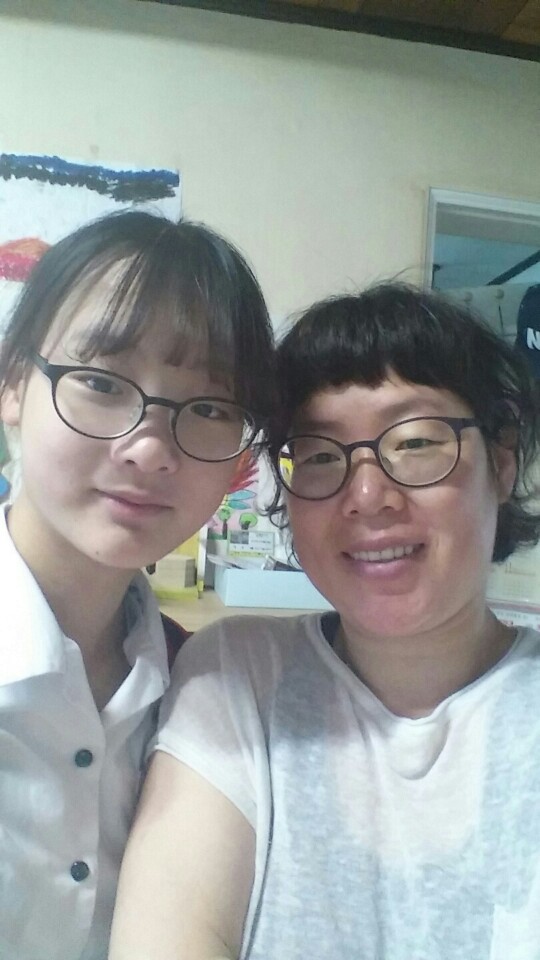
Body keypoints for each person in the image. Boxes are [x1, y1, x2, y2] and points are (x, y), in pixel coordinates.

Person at [109, 282, 540, 960]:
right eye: (317, 455)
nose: (367, 495)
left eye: (416, 442)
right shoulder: (239, 676)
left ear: (503, 461)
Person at [0, 208, 275, 960]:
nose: (149, 449)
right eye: (100, 382)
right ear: (14, 382)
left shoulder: (206, 689)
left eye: (209, 407)